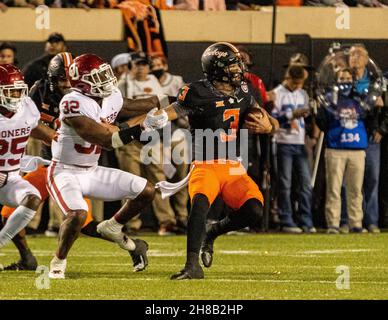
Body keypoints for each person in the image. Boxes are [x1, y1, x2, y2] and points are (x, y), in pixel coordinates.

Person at [137, 42, 277, 279]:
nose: (239, 69)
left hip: (234, 167)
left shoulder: (244, 91)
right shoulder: (197, 91)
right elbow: (173, 110)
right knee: (199, 206)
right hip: (205, 164)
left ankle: (213, 233)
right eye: (233, 64)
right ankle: (192, 265)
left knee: (254, 211)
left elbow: (270, 121)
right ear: (218, 68)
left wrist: (269, 126)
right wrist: (155, 118)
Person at [46, 53, 168, 279]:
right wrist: (144, 126)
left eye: (105, 73)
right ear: (82, 81)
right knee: (77, 214)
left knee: (147, 190)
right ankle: (58, 261)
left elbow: (140, 104)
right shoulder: (72, 102)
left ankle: (112, 226)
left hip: (92, 170)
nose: (106, 79)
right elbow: (106, 141)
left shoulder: (111, 95)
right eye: (98, 76)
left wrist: (181, 100)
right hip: (65, 171)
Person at [0, 64, 57, 266]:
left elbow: (35, 128)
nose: (16, 96)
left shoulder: (26, 106)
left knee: (31, 199)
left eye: (18, 90)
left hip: (11, 177)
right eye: (10, 91)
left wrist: (58, 139)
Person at [316, 68, 368, 234]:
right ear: (336, 80)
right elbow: (322, 122)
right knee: (334, 188)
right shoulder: (330, 98)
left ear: (352, 80)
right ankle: (333, 223)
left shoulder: (361, 98)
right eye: (342, 78)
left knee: (355, 189)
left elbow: (369, 116)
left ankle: (356, 223)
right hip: (336, 147)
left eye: (347, 78)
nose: (345, 81)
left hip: (357, 148)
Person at [271, 64, 315, 233]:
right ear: (288, 78)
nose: (299, 87)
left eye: (301, 83)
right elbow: (272, 120)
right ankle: (286, 219)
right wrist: (291, 115)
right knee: (285, 183)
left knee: (305, 183)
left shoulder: (302, 93)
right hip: (283, 142)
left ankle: (306, 219)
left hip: (300, 142)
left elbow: (308, 118)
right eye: (296, 83)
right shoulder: (277, 93)